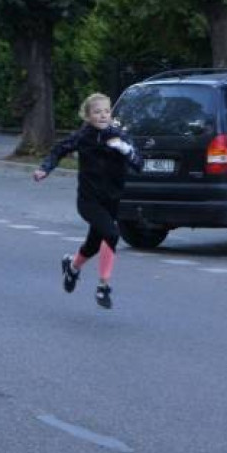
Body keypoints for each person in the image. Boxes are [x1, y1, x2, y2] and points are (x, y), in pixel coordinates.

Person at [34, 92, 143, 310]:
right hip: (88, 201)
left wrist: (124, 149)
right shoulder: (82, 137)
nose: (103, 115)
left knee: (93, 245)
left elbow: (139, 164)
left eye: (106, 111)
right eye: (97, 112)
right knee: (112, 234)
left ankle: (72, 267)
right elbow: (59, 150)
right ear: (88, 116)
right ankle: (103, 286)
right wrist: (45, 169)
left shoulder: (119, 136)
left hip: (111, 200)